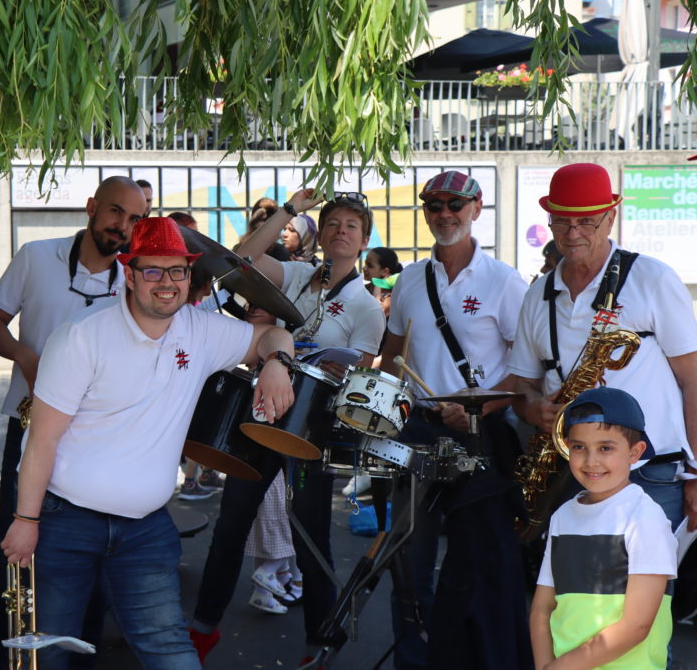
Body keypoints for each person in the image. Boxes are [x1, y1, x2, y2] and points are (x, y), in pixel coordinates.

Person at [1, 217, 297, 669]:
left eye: (177, 270)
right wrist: (26, 519)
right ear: (130, 273)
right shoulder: (81, 337)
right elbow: (42, 439)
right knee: (51, 650)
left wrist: (277, 362)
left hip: (145, 528)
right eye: (153, 271)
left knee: (170, 651)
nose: (167, 282)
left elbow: (274, 335)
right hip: (66, 522)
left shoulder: (199, 330)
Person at [191, 188, 386, 666]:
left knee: (309, 537)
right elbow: (241, 258)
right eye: (334, 223)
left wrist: (304, 357)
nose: (342, 232)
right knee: (229, 526)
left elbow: (356, 375)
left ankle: (319, 642)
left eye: (352, 227)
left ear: (363, 241)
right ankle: (202, 627)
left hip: (308, 429)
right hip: (261, 413)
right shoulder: (299, 273)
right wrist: (289, 211)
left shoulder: (365, 305)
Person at [0, 176, 146, 667]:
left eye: (135, 219)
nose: (124, 227)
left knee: (88, 554)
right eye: (116, 212)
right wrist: (26, 359)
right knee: (12, 545)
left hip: (96, 439)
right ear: (91, 207)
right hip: (30, 425)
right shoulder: (35, 255)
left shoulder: (133, 277)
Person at [378, 171, 529, 669]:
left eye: (455, 204)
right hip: (417, 433)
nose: (444, 214)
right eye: (434, 205)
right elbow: (393, 354)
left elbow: (526, 370)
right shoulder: (408, 279)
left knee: (476, 565)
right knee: (409, 563)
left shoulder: (504, 281)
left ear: (476, 208)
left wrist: (478, 410)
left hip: (481, 439)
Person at [509, 162, 697, 533]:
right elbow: (521, 384)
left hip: (651, 470)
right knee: (576, 587)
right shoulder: (538, 293)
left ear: (611, 218)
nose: (573, 232)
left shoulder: (652, 278)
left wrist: (696, 471)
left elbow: (693, 380)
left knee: (647, 590)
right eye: (562, 221)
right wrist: (533, 409)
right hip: (570, 472)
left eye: (587, 221)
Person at [529, 387, 676, 669]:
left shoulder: (645, 518)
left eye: (605, 448)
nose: (591, 460)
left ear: (636, 452)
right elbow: (541, 609)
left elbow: (636, 626)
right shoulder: (562, 516)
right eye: (579, 447)